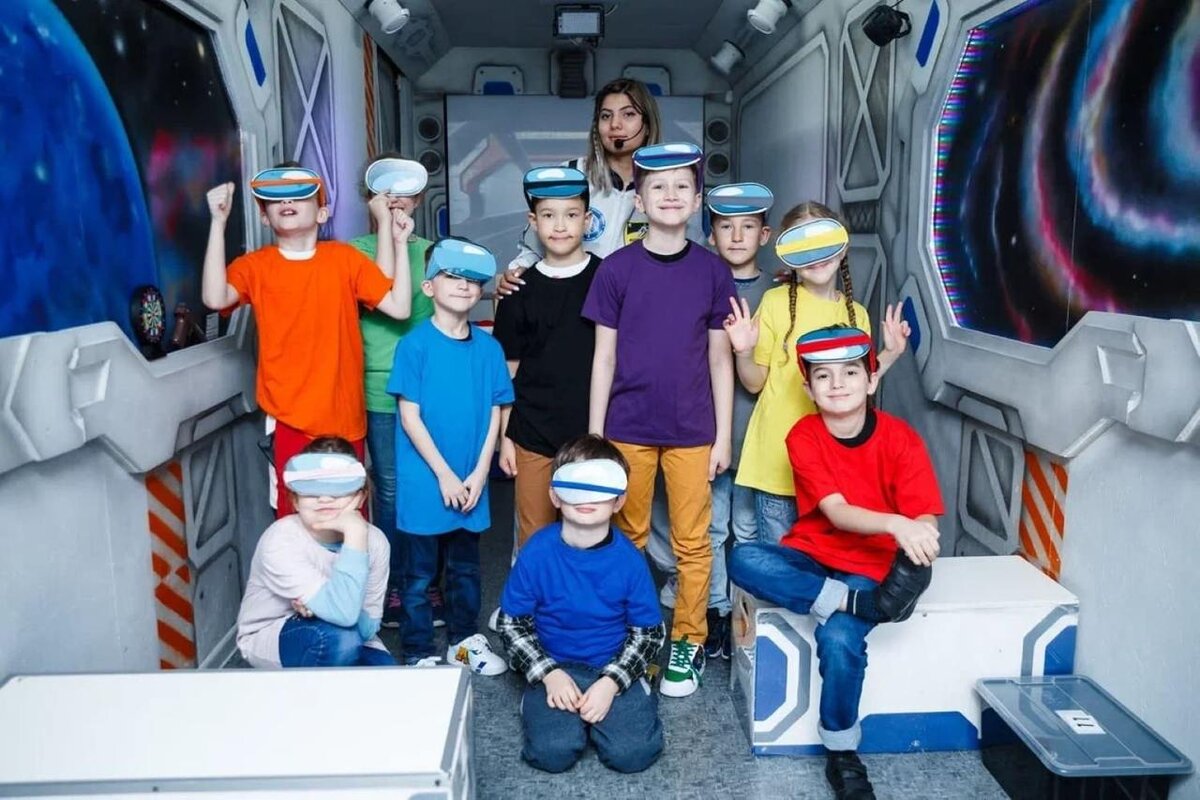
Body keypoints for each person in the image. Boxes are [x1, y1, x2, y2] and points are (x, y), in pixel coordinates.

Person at [729, 325, 942, 800]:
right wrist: (897, 524)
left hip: (868, 567)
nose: (838, 384)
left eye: (850, 372)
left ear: (871, 380)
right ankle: (860, 605)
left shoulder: (901, 439)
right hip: (811, 557)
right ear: (808, 389)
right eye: (823, 376)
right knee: (744, 558)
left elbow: (923, 513)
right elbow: (837, 511)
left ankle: (842, 754)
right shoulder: (803, 435)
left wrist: (920, 534)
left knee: (840, 637)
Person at [582, 142, 736, 698]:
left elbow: (720, 359)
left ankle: (688, 642)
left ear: (696, 202)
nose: (670, 195)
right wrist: (596, 435)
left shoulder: (713, 272)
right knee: (627, 538)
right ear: (640, 201)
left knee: (694, 543)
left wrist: (724, 436)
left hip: (693, 431)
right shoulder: (616, 270)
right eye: (657, 187)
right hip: (627, 429)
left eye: (681, 187)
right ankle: (636, 639)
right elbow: (603, 358)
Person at [202, 165, 414, 518]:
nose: (287, 203)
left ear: (322, 213)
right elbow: (214, 297)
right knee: (296, 520)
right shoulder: (255, 266)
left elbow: (399, 306)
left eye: (299, 196)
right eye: (276, 200)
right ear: (265, 217)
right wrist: (217, 222)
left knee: (348, 519)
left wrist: (400, 244)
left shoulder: (344, 258)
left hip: (345, 420)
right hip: (289, 420)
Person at [725, 202, 908, 544]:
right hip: (777, 466)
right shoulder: (776, 302)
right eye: (803, 246)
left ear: (842, 247)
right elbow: (753, 383)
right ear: (789, 257)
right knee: (783, 565)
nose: (816, 256)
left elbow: (861, 384)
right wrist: (743, 351)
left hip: (833, 470)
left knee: (825, 560)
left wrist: (891, 353)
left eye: (823, 242)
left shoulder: (857, 315)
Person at [648, 183, 774, 660]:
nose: (736, 237)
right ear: (711, 233)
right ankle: (716, 611)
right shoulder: (696, 280)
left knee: (750, 530)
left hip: (760, 439)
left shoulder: (780, 293)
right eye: (725, 227)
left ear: (765, 235)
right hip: (708, 433)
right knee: (710, 530)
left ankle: (748, 610)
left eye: (748, 227)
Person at [496, 435, 665, 774]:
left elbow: (649, 634)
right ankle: (535, 697)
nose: (587, 497)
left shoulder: (630, 561)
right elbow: (512, 624)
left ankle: (634, 691)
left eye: (599, 486)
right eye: (576, 484)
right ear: (555, 495)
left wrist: (612, 682)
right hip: (556, 665)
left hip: (611, 664)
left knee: (633, 754)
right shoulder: (536, 552)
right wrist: (548, 674)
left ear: (618, 501)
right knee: (551, 754)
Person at [388, 237, 513, 672]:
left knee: (466, 568)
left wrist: (480, 473)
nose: (463, 285)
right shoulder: (414, 346)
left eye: (473, 280)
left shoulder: (490, 348)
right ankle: (418, 651)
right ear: (428, 287)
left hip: (471, 479)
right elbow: (410, 418)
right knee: (419, 576)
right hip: (426, 479)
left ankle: (463, 641)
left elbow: (495, 411)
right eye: (452, 276)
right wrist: (443, 475)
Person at [494, 166, 600, 547]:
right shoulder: (516, 290)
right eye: (548, 215)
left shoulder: (607, 279)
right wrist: (506, 438)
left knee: (589, 533)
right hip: (531, 432)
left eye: (571, 214)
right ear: (533, 221)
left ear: (587, 220)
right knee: (534, 535)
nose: (559, 225)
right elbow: (509, 370)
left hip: (591, 431)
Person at [352, 155, 435, 629]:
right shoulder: (355, 252)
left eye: (406, 193)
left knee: (429, 485)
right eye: (386, 192)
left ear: (419, 199)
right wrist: (387, 230)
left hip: (427, 389)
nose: (397, 200)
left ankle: (425, 581)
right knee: (389, 489)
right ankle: (393, 585)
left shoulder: (433, 251)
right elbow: (382, 293)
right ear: (371, 199)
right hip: (380, 387)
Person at [236, 438, 394, 668]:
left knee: (388, 676)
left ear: (360, 496)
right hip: (275, 631)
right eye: (311, 491)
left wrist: (324, 610)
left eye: (338, 490)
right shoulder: (281, 539)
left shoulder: (376, 542)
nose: (324, 499)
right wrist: (355, 532)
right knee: (340, 640)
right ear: (295, 500)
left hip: (355, 636)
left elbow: (369, 626)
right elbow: (345, 614)